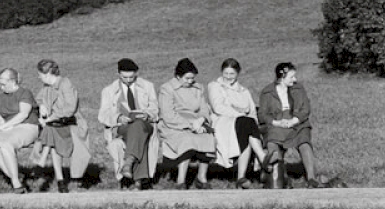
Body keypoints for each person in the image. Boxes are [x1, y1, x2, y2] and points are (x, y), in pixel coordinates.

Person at [98, 58, 160, 190]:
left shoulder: (147, 86)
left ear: (136, 73)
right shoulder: (109, 91)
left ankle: (128, 163)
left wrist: (147, 114)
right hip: (122, 127)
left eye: (132, 77)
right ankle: (139, 180)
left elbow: (155, 108)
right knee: (138, 134)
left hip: (145, 124)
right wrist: (119, 117)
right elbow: (103, 115)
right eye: (125, 77)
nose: (128, 80)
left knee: (138, 126)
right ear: (118, 74)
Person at [258, 62, 320, 188]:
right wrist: (276, 122)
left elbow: (306, 109)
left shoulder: (299, 88)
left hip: (296, 121)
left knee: (304, 141)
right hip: (277, 122)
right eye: (291, 77)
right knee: (273, 142)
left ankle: (311, 178)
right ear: (281, 77)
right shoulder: (267, 92)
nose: (295, 79)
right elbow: (262, 114)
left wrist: (294, 120)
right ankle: (280, 177)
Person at [207, 58, 267, 189]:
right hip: (223, 122)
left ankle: (241, 178)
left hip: (244, 124)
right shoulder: (215, 86)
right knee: (246, 123)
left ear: (238, 73)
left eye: (232, 74)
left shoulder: (244, 91)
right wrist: (240, 114)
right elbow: (218, 107)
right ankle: (262, 158)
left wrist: (250, 120)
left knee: (248, 125)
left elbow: (251, 111)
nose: (228, 77)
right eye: (226, 73)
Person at [33, 59, 90, 193]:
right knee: (53, 130)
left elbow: (70, 109)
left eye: (40, 74)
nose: (38, 77)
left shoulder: (66, 84)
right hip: (55, 125)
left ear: (47, 74)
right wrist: (41, 106)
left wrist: (49, 119)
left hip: (71, 122)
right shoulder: (46, 86)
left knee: (51, 129)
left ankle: (56, 175)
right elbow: (38, 99)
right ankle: (59, 180)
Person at [158, 58, 216, 189]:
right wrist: (191, 125)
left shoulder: (198, 88)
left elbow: (204, 109)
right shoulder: (167, 89)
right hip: (174, 125)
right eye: (187, 78)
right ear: (178, 76)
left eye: (192, 78)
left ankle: (202, 178)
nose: (190, 81)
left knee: (208, 137)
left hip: (196, 123)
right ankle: (181, 180)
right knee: (187, 140)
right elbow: (168, 115)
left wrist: (201, 120)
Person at [0, 68, 40, 194]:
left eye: (3, 84)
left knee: (5, 145)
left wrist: (4, 127)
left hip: (27, 126)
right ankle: (14, 175)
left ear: (12, 81)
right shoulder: (1, 97)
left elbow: (23, 114)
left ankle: (16, 183)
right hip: (11, 129)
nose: (1, 87)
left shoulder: (24, 93)